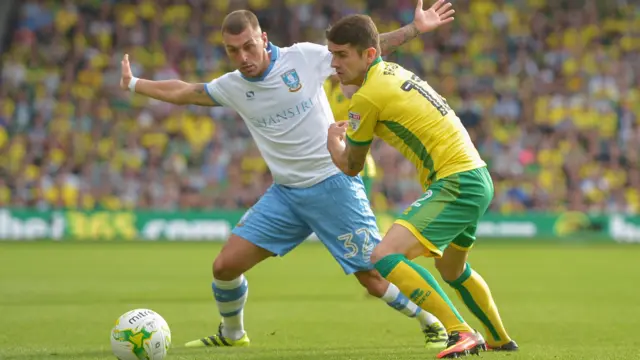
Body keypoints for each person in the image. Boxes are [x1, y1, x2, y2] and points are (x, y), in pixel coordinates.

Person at [119, 1, 456, 350]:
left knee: (372, 275)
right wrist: (134, 84)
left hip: (333, 185)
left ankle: (434, 322)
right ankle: (232, 334)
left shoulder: (303, 58)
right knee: (224, 267)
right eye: (233, 50)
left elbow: (364, 50)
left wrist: (415, 29)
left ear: (263, 38)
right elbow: (185, 91)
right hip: (286, 195)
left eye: (249, 46)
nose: (243, 56)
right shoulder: (233, 86)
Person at [325, 14, 519, 359]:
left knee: (383, 256)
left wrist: (332, 143)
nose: (334, 63)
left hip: (456, 182)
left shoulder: (367, 97)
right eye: (332, 54)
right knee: (452, 269)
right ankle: (499, 338)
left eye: (342, 55)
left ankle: (460, 331)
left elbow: (352, 167)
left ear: (368, 54)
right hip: (476, 176)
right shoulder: (394, 71)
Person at [323, 76, 377, 198]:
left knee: (356, 214)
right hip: (328, 165)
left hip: (357, 166)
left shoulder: (353, 86)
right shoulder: (321, 85)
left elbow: (362, 122)